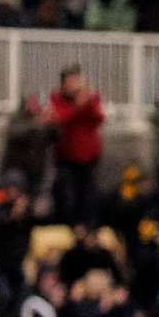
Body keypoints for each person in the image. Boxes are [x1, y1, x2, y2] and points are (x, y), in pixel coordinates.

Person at [50, 66, 104, 225]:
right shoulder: (57, 99)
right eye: (70, 81)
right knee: (65, 192)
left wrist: (86, 104)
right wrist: (79, 106)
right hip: (66, 154)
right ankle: (67, 224)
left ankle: (87, 225)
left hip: (89, 155)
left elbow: (98, 118)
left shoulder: (92, 99)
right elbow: (61, 118)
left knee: (88, 193)